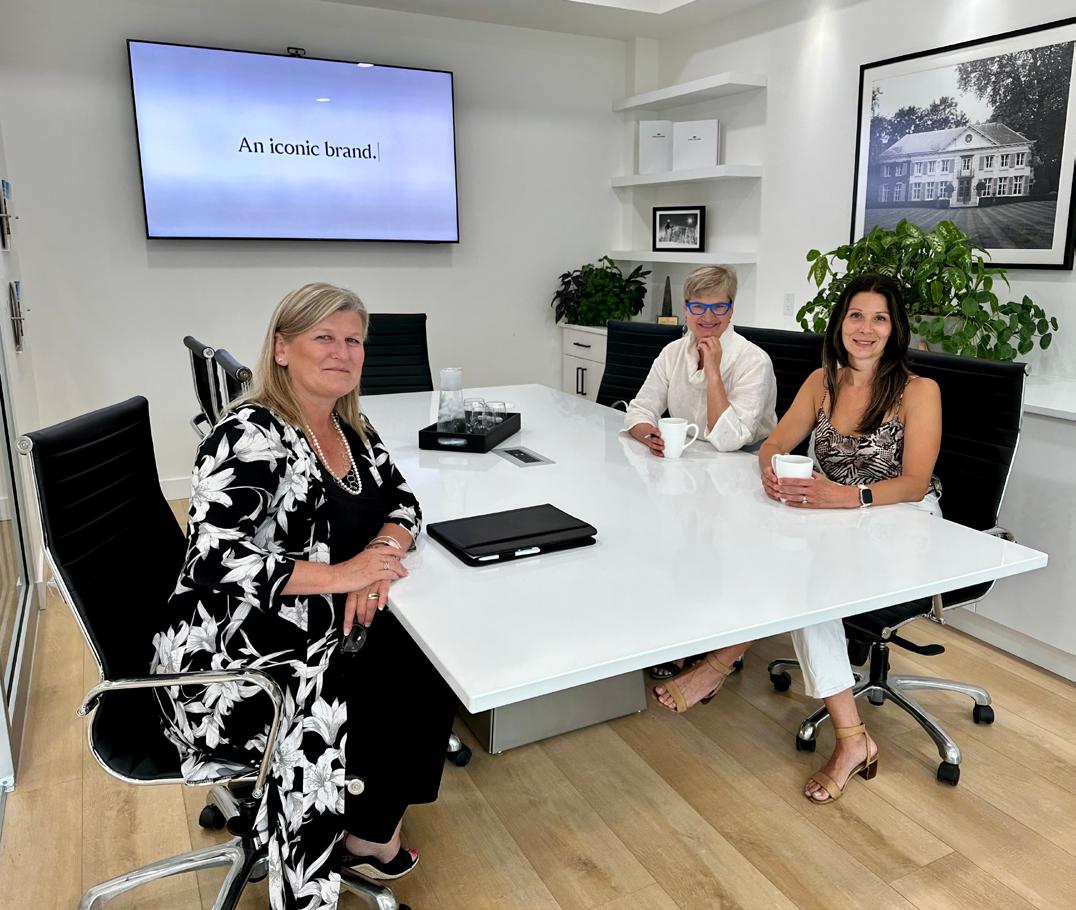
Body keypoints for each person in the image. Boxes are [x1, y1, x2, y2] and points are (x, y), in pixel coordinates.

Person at [151, 283, 455, 909]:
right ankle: (354, 838)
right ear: (282, 348)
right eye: (325, 337)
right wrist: (345, 574)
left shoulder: (350, 425)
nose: (343, 352)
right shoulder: (249, 435)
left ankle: (369, 828)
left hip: (306, 619)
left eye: (354, 341)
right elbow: (215, 560)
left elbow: (404, 502)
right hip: (233, 656)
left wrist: (381, 557)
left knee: (430, 660)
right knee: (398, 679)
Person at [653, 272, 942, 805]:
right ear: (841, 323)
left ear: (894, 328)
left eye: (879, 318)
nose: (866, 329)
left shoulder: (919, 391)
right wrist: (771, 471)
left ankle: (719, 664)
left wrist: (846, 496)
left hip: (899, 518)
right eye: (856, 316)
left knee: (810, 588)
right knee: (768, 555)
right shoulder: (822, 382)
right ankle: (853, 739)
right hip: (834, 519)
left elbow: (915, 482)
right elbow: (774, 444)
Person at [624, 264, 778, 681]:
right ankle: (678, 631)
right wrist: (650, 435)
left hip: (745, 473)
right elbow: (640, 409)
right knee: (668, 540)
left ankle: (717, 640)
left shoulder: (752, 360)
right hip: (689, 466)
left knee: (714, 546)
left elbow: (728, 439)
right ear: (686, 308)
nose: (708, 317)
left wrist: (713, 370)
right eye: (698, 307)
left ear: (732, 308)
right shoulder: (672, 353)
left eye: (718, 307)